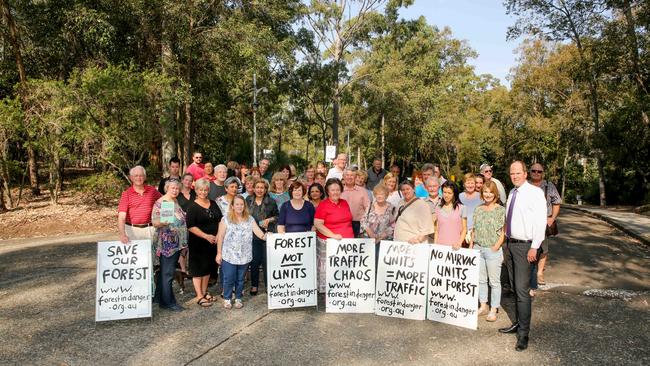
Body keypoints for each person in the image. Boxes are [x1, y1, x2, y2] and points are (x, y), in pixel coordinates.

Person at [498, 161, 547, 352]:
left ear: (525, 174)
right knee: (513, 286)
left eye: (518, 173)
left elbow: (540, 222)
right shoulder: (512, 193)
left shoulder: (535, 193)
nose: (515, 176)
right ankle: (517, 324)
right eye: (512, 173)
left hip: (525, 247)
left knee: (522, 290)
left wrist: (534, 247)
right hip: (510, 245)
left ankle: (524, 334)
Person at [216, 195, 267, 309]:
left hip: (244, 255)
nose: (239, 206)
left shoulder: (250, 219)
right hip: (229, 255)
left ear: (244, 206)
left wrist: (268, 237)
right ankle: (228, 298)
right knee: (229, 278)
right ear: (232, 206)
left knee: (240, 279)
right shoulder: (225, 219)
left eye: (241, 204)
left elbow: (259, 233)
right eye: (237, 204)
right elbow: (220, 237)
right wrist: (219, 253)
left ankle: (238, 298)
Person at [470, 180, 505, 322]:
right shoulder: (478, 209)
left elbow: (503, 231)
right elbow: (474, 229)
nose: (488, 194)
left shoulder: (500, 210)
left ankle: (493, 308)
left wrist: (496, 246)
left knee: (494, 282)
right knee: (481, 280)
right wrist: (472, 245)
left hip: (492, 250)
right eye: (485, 192)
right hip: (478, 248)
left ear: (495, 193)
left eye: (490, 192)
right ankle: (483, 305)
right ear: (482, 193)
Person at [151, 179, 188, 311]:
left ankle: (159, 297)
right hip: (167, 243)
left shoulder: (174, 201)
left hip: (176, 242)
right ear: (167, 188)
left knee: (164, 272)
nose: (175, 190)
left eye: (177, 188)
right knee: (168, 273)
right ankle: (168, 302)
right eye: (172, 188)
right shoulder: (162, 202)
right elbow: (155, 222)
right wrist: (164, 221)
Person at [186, 178, 223, 307]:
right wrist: (206, 236)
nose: (203, 192)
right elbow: (190, 226)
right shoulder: (192, 207)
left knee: (207, 268)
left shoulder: (213, 203)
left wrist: (218, 235)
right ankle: (199, 296)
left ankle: (204, 291)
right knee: (198, 269)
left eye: (206, 189)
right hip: (198, 243)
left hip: (212, 242)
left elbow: (220, 220)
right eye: (200, 189)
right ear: (196, 190)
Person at [313, 178, 354, 292]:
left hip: (346, 244)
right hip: (328, 243)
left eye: (337, 189)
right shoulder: (323, 205)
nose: (335, 192)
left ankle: (342, 290)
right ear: (327, 191)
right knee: (328, 270)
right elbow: (317, 224)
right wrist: (333, 235)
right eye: (332, 190)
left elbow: (348, 221)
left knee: (343, 269)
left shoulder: (344, 203)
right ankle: (328, 293)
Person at [528, 162, 561, 286]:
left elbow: (557, 202)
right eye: (534, 171)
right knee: (527, 247)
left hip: (543, 222)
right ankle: (528, 271)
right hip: (527, 222)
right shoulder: (525, 185)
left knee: (543, 248)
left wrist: (552, 218)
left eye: (539, 171)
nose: (536, 173)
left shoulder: (549, 185)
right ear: (529, 172)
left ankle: (540, 272)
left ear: (543, 173)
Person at [246, 178, 279, 296]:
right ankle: (254, 285)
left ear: (265, 190)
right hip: (252, 236)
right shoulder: (248, 200)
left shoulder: (271, 201)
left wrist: (269, 219)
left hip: (267, 235)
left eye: (262, 188)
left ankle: (268, 285)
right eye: (257, 187)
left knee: (267, 262)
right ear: (253, 189)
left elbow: (278, 217)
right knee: (254, 262)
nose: (260, 190)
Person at [118, 166, 162, 244]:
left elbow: (165, 201)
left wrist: (167, 219)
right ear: (131, 178)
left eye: (141, 175)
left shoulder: (152, 191)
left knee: (151, 255)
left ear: (145, 177)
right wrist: (122, 234)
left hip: (150, 229)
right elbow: (121, 216)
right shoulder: (126, 194)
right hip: (132, 230)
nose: (139, 178)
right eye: (136, 176)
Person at [360, 183, 396, 266]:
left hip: (384, 241)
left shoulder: (392, 208)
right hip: (369, 240)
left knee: (381, 265)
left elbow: (393, 225)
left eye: (382, 194)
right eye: (377, 194)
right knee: (368, 264)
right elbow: (363, 220)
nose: (379, 196)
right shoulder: (370, 205)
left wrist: (382, 236)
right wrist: (370, 232)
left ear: (386, 195)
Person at [434, 181, 467, 249]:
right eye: (444, 192)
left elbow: (464, 229)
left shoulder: (462, 208)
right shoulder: (438, 208)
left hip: (455, 248)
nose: (446, 195)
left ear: (454, 194)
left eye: (449, 193)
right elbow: (437, 230)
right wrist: (435, 245)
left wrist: (459, 243)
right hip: (440, 247)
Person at [341, 169, 370, 237]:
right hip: (342, 224)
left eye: (352, 175)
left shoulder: (363, 191)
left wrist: (364, 223)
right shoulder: (339, 190)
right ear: (344, 177)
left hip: (358, 224)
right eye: (347, 175)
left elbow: (368, 208)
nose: (349, 177)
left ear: (355, 177)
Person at [459, 173, 484, 246]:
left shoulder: (481, 197)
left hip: (476, 233)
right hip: (461, 233)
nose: (470, 185)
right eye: (468, 183)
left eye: (472, 183)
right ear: (464, 184)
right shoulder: (460, 196)